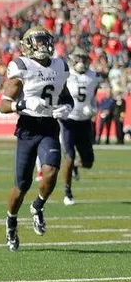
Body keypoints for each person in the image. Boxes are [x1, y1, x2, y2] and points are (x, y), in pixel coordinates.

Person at [0, 26, 72, 252]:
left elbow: (66, 96)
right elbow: (3, 105)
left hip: (49, 125)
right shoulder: (21, 66)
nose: (43, 45)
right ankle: (11, 222)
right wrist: (22, 104)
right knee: (21, 186)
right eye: (38, 41)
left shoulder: (60, 66)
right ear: (28, 45)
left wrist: (67, 107)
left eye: (45, 40)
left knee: (50, 172)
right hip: (28, 128)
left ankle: (38, 206)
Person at [61, 49, 100, 206]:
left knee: (89, 162)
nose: (82, 63)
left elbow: (93, 96)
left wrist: (93, 108)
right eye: (78, 59)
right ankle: (67, 192)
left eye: (84, 59)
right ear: (72, 60)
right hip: (68, 121)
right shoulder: (66, 75)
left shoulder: (93, 76)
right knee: (69, 157)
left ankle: (77, 166)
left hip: (84, 122)